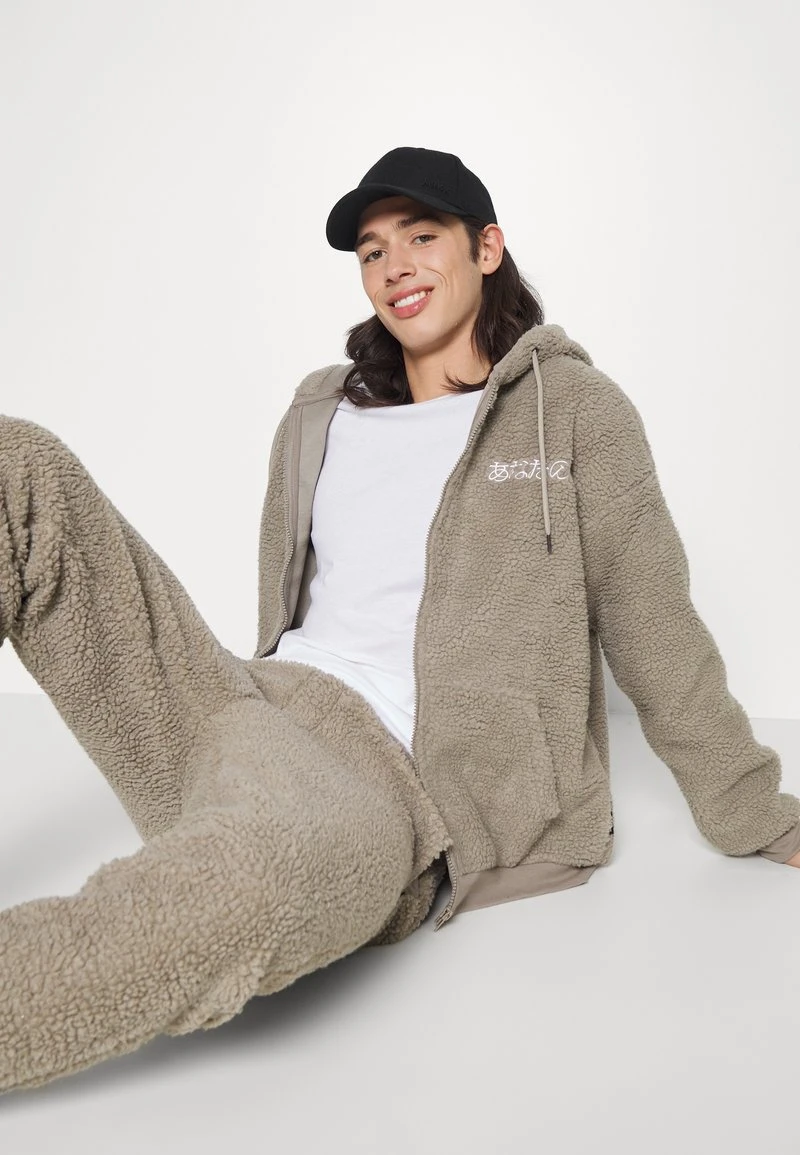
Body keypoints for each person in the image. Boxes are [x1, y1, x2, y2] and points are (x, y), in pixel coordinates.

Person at [1, 146, 798, 1097]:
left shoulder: (574, 413)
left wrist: (753, 812)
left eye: (422, 237)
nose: (395, 267)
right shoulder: (320, 411)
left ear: (487, 248)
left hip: (383, 779)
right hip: (240, 704)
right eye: (373, 251)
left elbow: (656, 628)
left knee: (247, 881)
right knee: (19, 467)